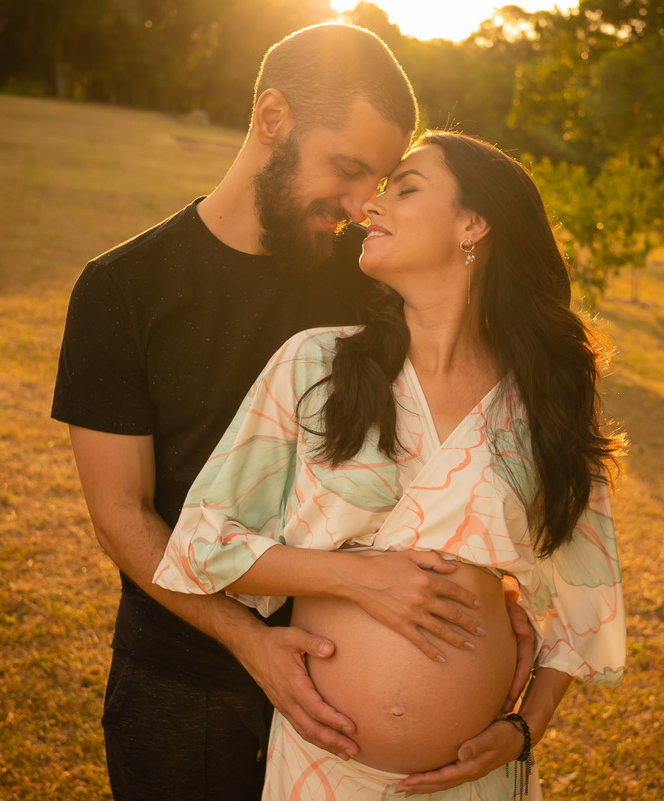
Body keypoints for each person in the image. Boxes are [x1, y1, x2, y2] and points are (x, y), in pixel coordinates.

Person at [53, 24, 531, 801]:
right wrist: (250, 640)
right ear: (271, 117)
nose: (357, 205)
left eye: (376, 182)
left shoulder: (373, 275)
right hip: (187, 683)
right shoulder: (121, 290)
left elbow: (462, 421)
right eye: (346, 170)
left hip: (349, 711)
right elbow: (121, 515)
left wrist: (500, 596)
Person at [153, 131, 628, 800]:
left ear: (473, 223)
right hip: (321, 770)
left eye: (404, 188)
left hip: (479, 780)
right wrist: (353, 577)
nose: (372, 206)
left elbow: (586, 593)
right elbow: (201, 544)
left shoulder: (545, 402)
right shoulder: (315, 364)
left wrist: (527, 728)